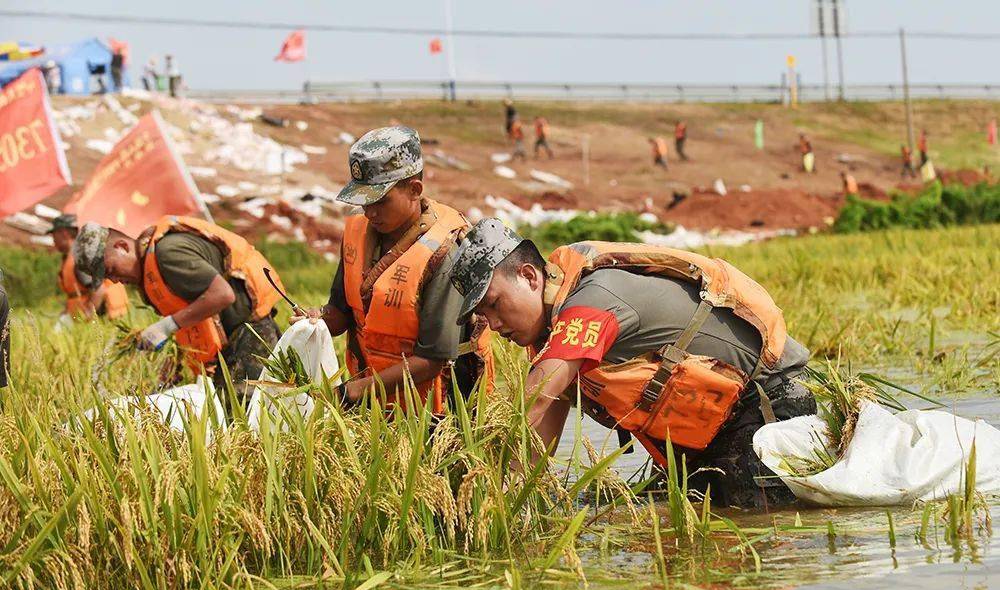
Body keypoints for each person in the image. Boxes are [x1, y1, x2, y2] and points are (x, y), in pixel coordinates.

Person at [449, 219, 816, 509]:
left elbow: (537, 397)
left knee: (760, 529)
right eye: (483, 315)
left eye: (494, 304)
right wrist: (497, 501)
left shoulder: (592, 303)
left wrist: (481, 469)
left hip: (769, 411)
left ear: (529, 276)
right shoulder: (554, 338)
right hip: (709, 434)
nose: (493, 325)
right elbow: (531, 451)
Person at [300, 126, 494, 411]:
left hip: (439, 409)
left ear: (414, 190)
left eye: (379, 201)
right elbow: (341, 312)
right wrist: (315, 321)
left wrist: (352, 393)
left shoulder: (445, 250)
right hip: (374, 403)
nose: (370, 212)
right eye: (364, 201)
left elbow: (433, 359)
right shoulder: (357, 232)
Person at [71, 217, 285, 407]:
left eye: (111, 270)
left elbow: (222, 295)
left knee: (247, 410)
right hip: (228, 343)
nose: (115, 280)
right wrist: (175, 361)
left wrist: (166, 327)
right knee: (221, 412)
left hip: (249, 334)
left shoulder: (168, 254)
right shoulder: (149, 275)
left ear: (122, 246)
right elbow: (190, 317)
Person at [49, 214, 129, 322]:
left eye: (53, 235)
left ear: (64, 233)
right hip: (95, 319)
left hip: (105, 320)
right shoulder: (75, 255)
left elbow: (99, 290)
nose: (53, 239)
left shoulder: (80, 258)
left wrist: (88, 316)